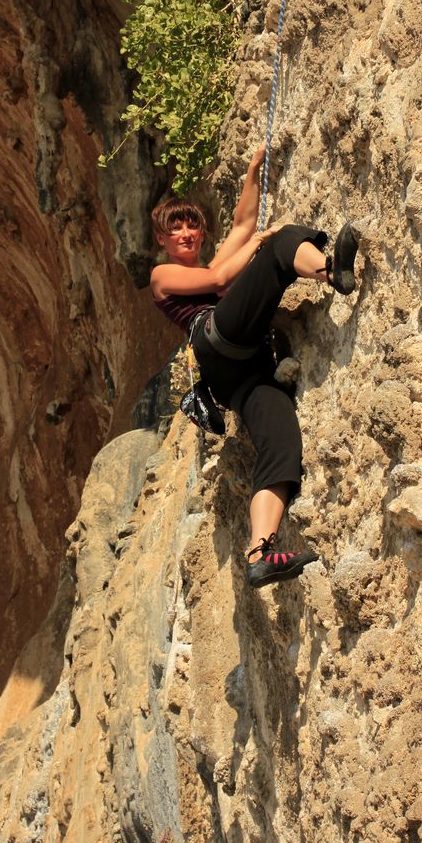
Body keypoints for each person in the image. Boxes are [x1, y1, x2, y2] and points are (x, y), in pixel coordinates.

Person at [150, 144, 359, 588]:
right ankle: (331, 269)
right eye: (176, 229)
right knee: (282, 244)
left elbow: (243, 223)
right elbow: (219, 280)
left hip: (240, 375)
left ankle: (260, 552)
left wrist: (251, 172)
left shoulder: (213, 259)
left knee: (282, 443)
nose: (186, 234)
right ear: (162, 240)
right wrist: (267, 239)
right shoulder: (162, 276)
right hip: (215, 342)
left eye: (192, 226)